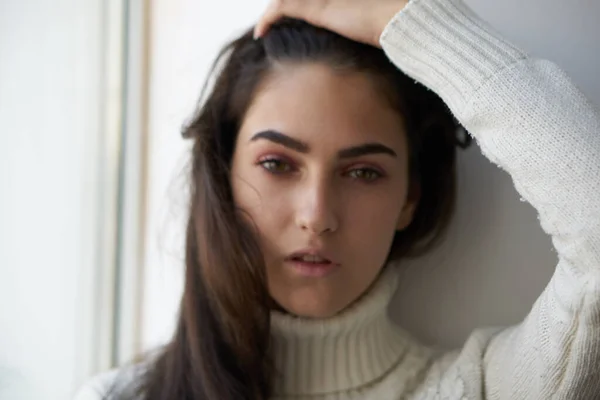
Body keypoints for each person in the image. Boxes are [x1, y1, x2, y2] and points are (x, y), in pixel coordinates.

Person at [75, 0, 600, 399]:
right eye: (277, 165)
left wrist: (406, 16)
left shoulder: (482, 386)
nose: (317, 216)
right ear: (222, 177)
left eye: (364, 172)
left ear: (409, 199)